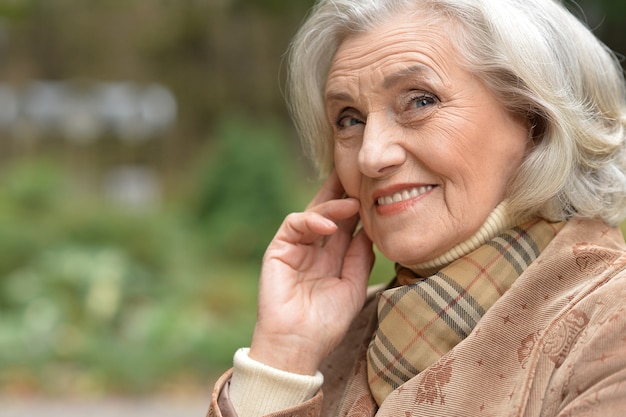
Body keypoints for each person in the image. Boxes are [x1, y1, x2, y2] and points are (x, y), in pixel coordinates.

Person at [209, 0, 626, 415]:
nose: (371, 156)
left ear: (536, 121)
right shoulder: (336, 337)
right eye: (349, 119)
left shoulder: (610, 323)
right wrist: (285, 356)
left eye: (420, 101)